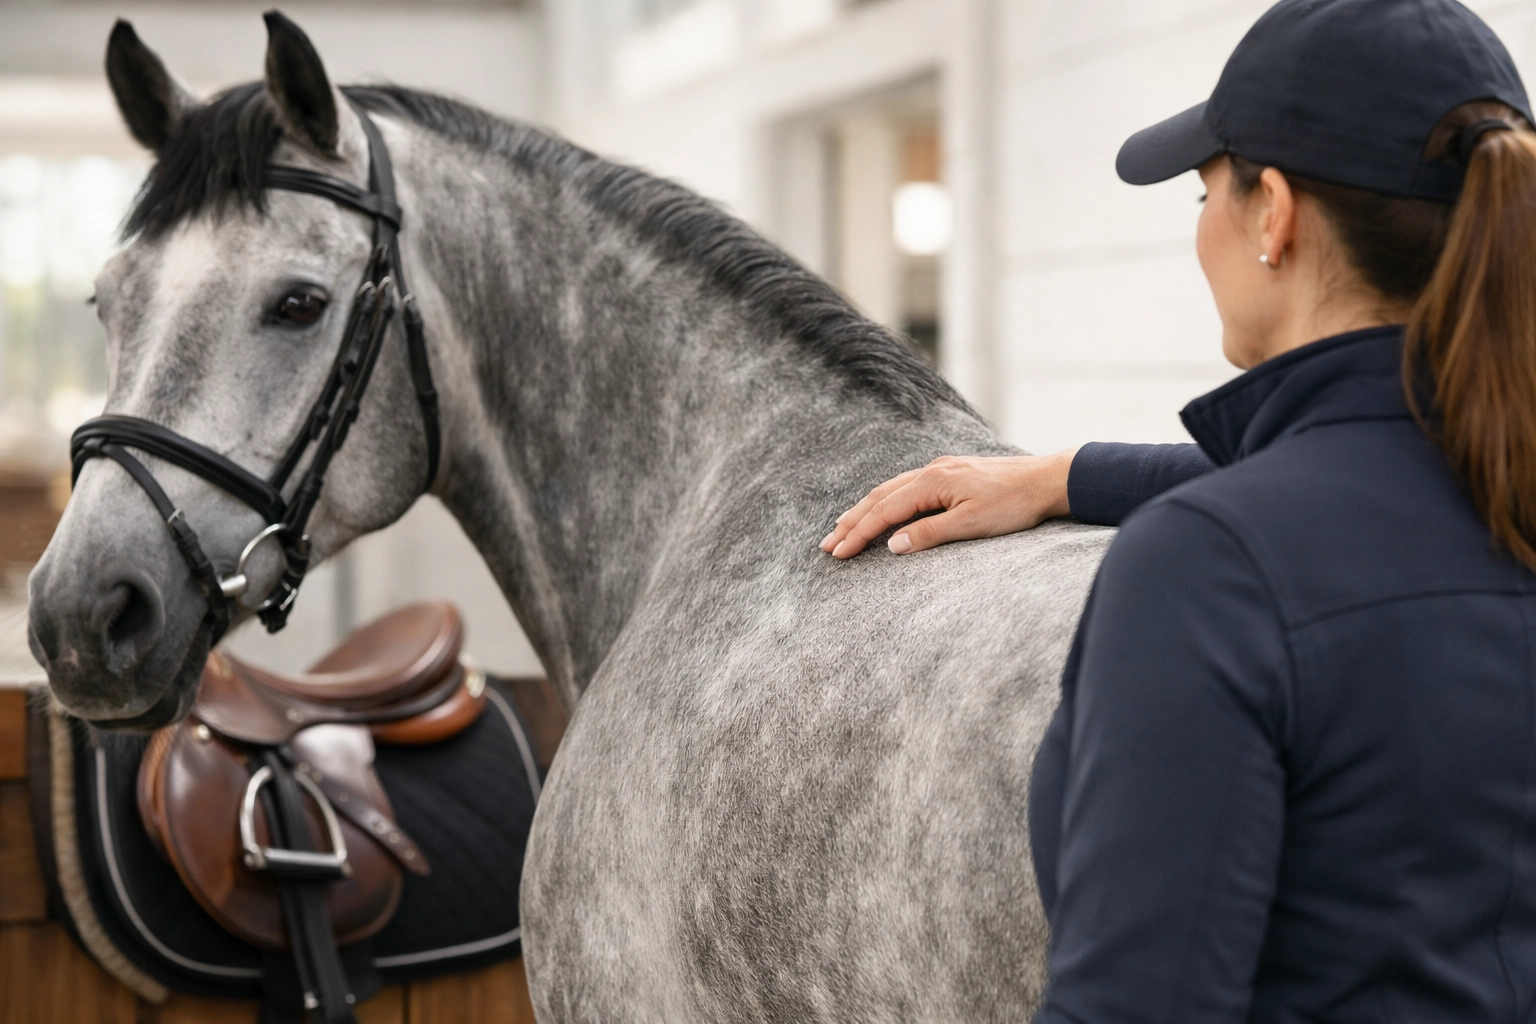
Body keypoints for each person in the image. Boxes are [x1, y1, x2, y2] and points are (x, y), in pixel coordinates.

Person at [822, 0, 1536, 1018]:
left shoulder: (1209, 571)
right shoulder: (1490, 494)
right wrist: (1065, 476)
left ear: (1274, 214)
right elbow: (1368, 500)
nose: (1201, 230)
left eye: (1204, 194)